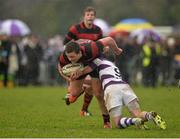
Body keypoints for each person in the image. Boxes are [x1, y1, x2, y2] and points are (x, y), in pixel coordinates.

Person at [71, 57, 166, 129]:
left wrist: (77, 78)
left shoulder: (98, 60)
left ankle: (134, 121)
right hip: (125, 87)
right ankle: (149, 115)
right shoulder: (113, 66)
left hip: (112, 89)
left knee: (118, 123)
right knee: (138, 113)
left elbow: (87, 72)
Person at [58, 37, 122, 128]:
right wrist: (69, 79)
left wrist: (117, 49)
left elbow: (109, 40)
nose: (70, 59)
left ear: (80, 52)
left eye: (72, 57)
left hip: (95, 63)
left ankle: (106, 122)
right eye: (68, 56)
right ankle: (83, 88)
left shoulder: (92, 48)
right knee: (74, 93)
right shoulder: (64, 57)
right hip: (79, 67)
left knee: (98, 94)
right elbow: (60, 70)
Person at [63, 6, 103, 117]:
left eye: (92, 15)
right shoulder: (75, 29)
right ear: (84, 16)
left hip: (92, 61)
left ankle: (83, 109)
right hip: (78, 61)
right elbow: (65, 43)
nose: (90, 17)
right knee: (87, 85)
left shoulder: (98, 30)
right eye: (88, 14)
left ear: (94, 17)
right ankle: (72, 92)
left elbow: (100, 45)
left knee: (93, 88)